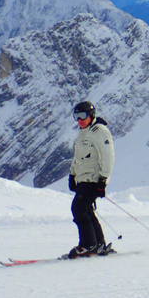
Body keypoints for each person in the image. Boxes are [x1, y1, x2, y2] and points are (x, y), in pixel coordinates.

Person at [67, 101, 115, 258]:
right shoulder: (84, 133)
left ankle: (88, 245)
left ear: (91, 115)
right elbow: (77, 158)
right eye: (76, 116)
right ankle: (99, 244)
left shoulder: (99, 132)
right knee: (86, 210)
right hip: (83, 180)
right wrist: (73, 175)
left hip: (93, 180)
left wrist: (103, 180)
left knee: (79, 208)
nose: (79, 120)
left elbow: (108, 157)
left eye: (83, 116)